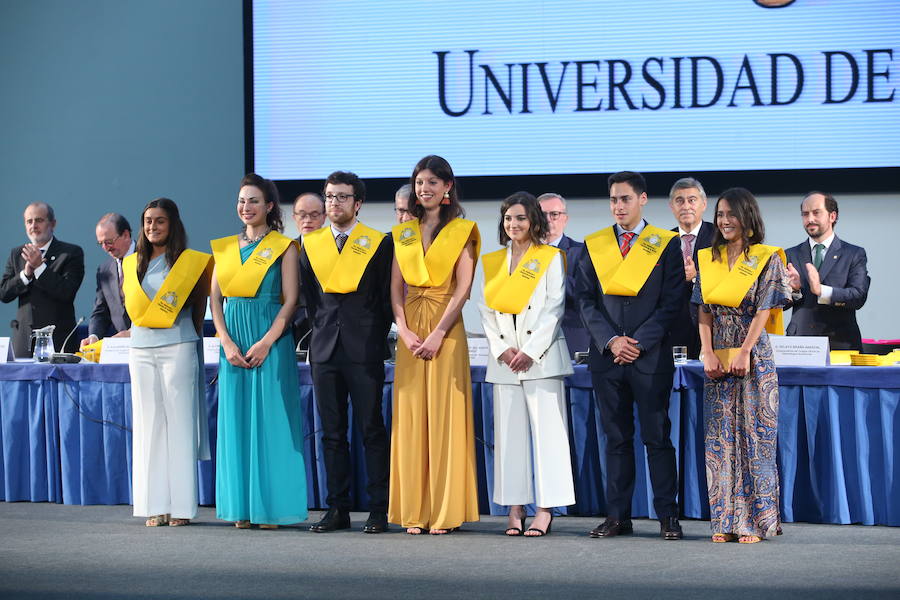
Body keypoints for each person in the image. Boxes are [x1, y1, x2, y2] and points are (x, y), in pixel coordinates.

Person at [574, 171, 684, 541]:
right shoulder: (595, 244)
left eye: (625, 199)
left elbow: (672, 303)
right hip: (608, 358)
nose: (618, 206)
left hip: (649, 357)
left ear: (642, 199)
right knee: (616, 439)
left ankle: (667, 516)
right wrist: (611, 341)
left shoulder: (665, 243)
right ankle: (617, 516)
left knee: (657, 437)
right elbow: (585, 301)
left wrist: (637, 341)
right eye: (613, 200)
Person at [389, 155, 481, 535]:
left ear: (447, 188)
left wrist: (439, 332)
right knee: (411, 417)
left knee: (444, 417)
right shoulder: (404, 232)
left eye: (431, 182)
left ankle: (444, 511)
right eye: (419, 182)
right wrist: (404, 330)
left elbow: (463, 288)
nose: (423, 188)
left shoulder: (462, 230)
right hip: (410, 331)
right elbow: (395, 288)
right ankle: (414, 510)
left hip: (445, 329)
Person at [694, 187, 791, 544]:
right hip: (718, 350)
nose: (724, 220)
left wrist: (745, 351)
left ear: (747, 217)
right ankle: (724, 521)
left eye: (731, 214)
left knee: (755, 437)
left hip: (753, 354)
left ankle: (754, 522)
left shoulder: (766, 258)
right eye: (720, 214)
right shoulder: (709, 257)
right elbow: (703, 309)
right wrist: (707, 351)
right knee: (719, 441)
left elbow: (765, 308)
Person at [211, 174, 308, 530]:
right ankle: (242, 507)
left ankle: (271, 507)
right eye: (241, 201)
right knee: (237, 423)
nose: (246, 207)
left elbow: (291, 301)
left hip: (270, 340)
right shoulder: (224, 249)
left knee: (271, 422)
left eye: (253, 201)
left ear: (269, 206)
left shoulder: (284, 247)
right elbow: (216, 300)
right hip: (233, 341)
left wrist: (267, 341)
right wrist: (225, 340)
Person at [299, 171, 392, 534]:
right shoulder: (310, 243)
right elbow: (311, 299)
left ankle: (378, 509)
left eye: (341, 197)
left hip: (364, 348)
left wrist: (372, 336)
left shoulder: (378, 243)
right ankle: (337, 508)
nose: (334, 203)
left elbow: (385, 299)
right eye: (329, 196)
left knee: (371, 429)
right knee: (332, 433)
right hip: (324, 350)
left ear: (358, 203)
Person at [479, 192, 575, 537]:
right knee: (509, 438)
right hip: (505, 361)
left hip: (542, 359)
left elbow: (554, 307)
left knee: (549, 436)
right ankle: (515, 508)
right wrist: (503, 348)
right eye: (508, 218)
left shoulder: (550, 258)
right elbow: (486, 310)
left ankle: (546, 509)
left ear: (534, 221)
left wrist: (529, 350)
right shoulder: (492, 261)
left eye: (520, 218)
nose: (513, 224)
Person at [123, 198, 212, 527]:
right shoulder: (131, 263)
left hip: (178, 345)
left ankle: (180, 507)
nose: (152, 227)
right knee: (149, 426)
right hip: (141, 349)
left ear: (172, 224)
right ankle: (153, 505)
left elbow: (199, 308)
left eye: (159, 221)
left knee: (179, 425)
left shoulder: (190, 262)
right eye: (147, 221)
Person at [784, 192, 870, 350]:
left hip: (840, 343)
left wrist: (822, 291)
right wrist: (794, 291)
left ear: (832, 216)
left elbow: (858, 296)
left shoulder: (853, 254)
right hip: (799, 345)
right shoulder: (790, 254)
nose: (810, 219)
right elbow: (779, 305)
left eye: (816, 213)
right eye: (805, 214)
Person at [1, 202, 84, 357]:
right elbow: (4, 293)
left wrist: (40, 267)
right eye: (29, 221)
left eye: (39, 220)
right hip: (23, 340)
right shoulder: (17, 254)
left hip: (58, 340)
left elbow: (67, 292)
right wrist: (26, 274)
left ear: (53, 223)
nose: (34, 225)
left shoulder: (71, 253)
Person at [668, 178, 715, 359]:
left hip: (712, 330)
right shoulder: (662, 241)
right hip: (674, 331)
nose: (686, 206)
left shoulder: (719, 238)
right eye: (679, 201)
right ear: (672, 206)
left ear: (703, 204)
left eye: (692, 200)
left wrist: (697, 277)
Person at [538, 192, 588, 359]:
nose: (548, 220)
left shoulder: (582, 252)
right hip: (530, 341)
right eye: (542, 215)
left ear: (565, 219)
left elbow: (583, 294)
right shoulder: (521, 255)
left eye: (554, 214)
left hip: (570, 337)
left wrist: (549, 274)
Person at [80, 213, 134, 348]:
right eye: (101, 243)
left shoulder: (148, 259)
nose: (106, 248)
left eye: (109, 241)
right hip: (121, 348)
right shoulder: (104, 269)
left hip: (150, 343)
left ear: (126, 235)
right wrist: (94, 336)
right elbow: (101, 310)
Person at [290, 192, 326, 348]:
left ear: (324, 217)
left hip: (327, 325)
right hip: (293, 328)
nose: (308, 220)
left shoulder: (336, 248)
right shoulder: (286, 251)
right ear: (294, 217)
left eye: (314, 215)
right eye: (302, 215)